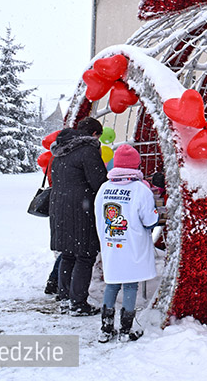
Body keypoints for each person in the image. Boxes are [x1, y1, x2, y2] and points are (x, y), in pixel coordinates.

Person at [94, 144, 160, 342]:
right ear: (136, 165)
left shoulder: (104, 188)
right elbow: (149, 220)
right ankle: (125, 329)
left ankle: (106, 329)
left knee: (112, 284)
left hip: (112, 245)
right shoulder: (141, 190)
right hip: (133, 246)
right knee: (130, 285)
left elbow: (98, 216)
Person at [49, 117, 108, 316]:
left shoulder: (59, 151)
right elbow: (99, 183)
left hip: (60, 207)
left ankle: (65, 298)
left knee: (68, 253)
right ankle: (78, 303)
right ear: (93, 134)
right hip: (81, 210)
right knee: (85, 255)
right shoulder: (88, 151)